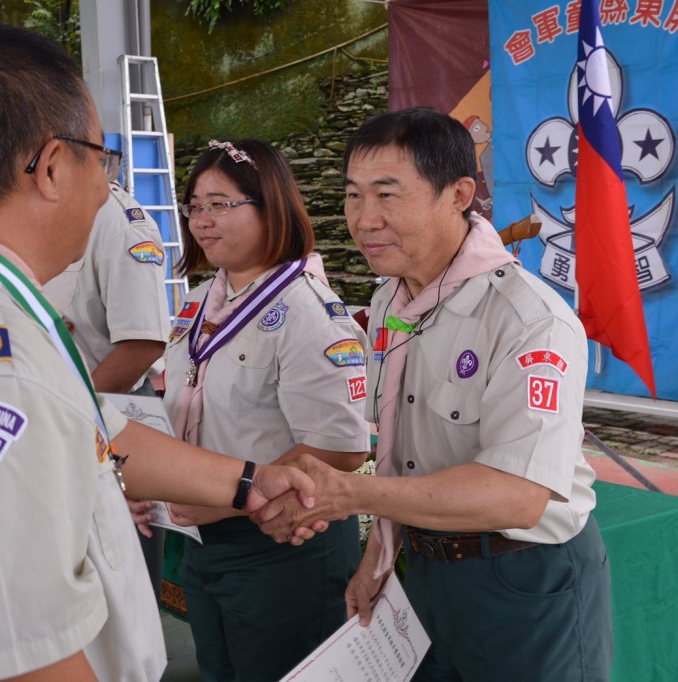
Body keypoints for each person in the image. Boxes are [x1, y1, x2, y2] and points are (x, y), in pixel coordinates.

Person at [0, 25, 315, 682]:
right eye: (99, 162)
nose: (105, 187)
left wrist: (247, 483)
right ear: (50, 168)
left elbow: (88, 430)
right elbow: (31, 662)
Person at [254, 107, 612, 682]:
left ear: (458, 194)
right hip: (420, 568)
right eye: (352, 197)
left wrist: (351, 494)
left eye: (388, 195)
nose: (364, 219)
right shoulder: (394, 301)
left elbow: (518, 497)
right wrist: (379, 557)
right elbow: (402, 445)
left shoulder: (529, 320)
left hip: (520, 578)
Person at [162, 138, 369, 681]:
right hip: (205, 538)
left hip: (282, 546)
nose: (202, 221)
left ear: (270, 206)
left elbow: (342, 448)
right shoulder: (201, 300)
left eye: (221, 204)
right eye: (195, 206)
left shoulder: (305, 308)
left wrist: (225, 497)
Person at [44, 183, 170, 598]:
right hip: (51, 423)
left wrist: (67, 415)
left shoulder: (119, 222)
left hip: (109, 419)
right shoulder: (28, 207)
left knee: (122, 588)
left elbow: (143, 343)